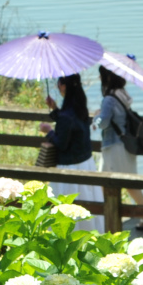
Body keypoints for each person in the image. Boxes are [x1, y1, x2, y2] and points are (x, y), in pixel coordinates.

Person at [40, 72, 103, 229]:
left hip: (69, 168)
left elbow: (61, 144)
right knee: (88, 206)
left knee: (66, 210)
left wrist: (49, 132)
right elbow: (70, 126)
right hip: (86, 164)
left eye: (59, 84)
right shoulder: (80, 108)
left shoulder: (67, 115)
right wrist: (55, 109)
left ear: (63, 86)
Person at [97, 66, 143, 232]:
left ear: (108, 77)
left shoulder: (109, 99)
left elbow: (103, 123)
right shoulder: (122, 94)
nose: (100, 79)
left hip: (114, 147)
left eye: (101, 75)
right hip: (125, 145)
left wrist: (96, 117)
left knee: (121, 184)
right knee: (127, 183)